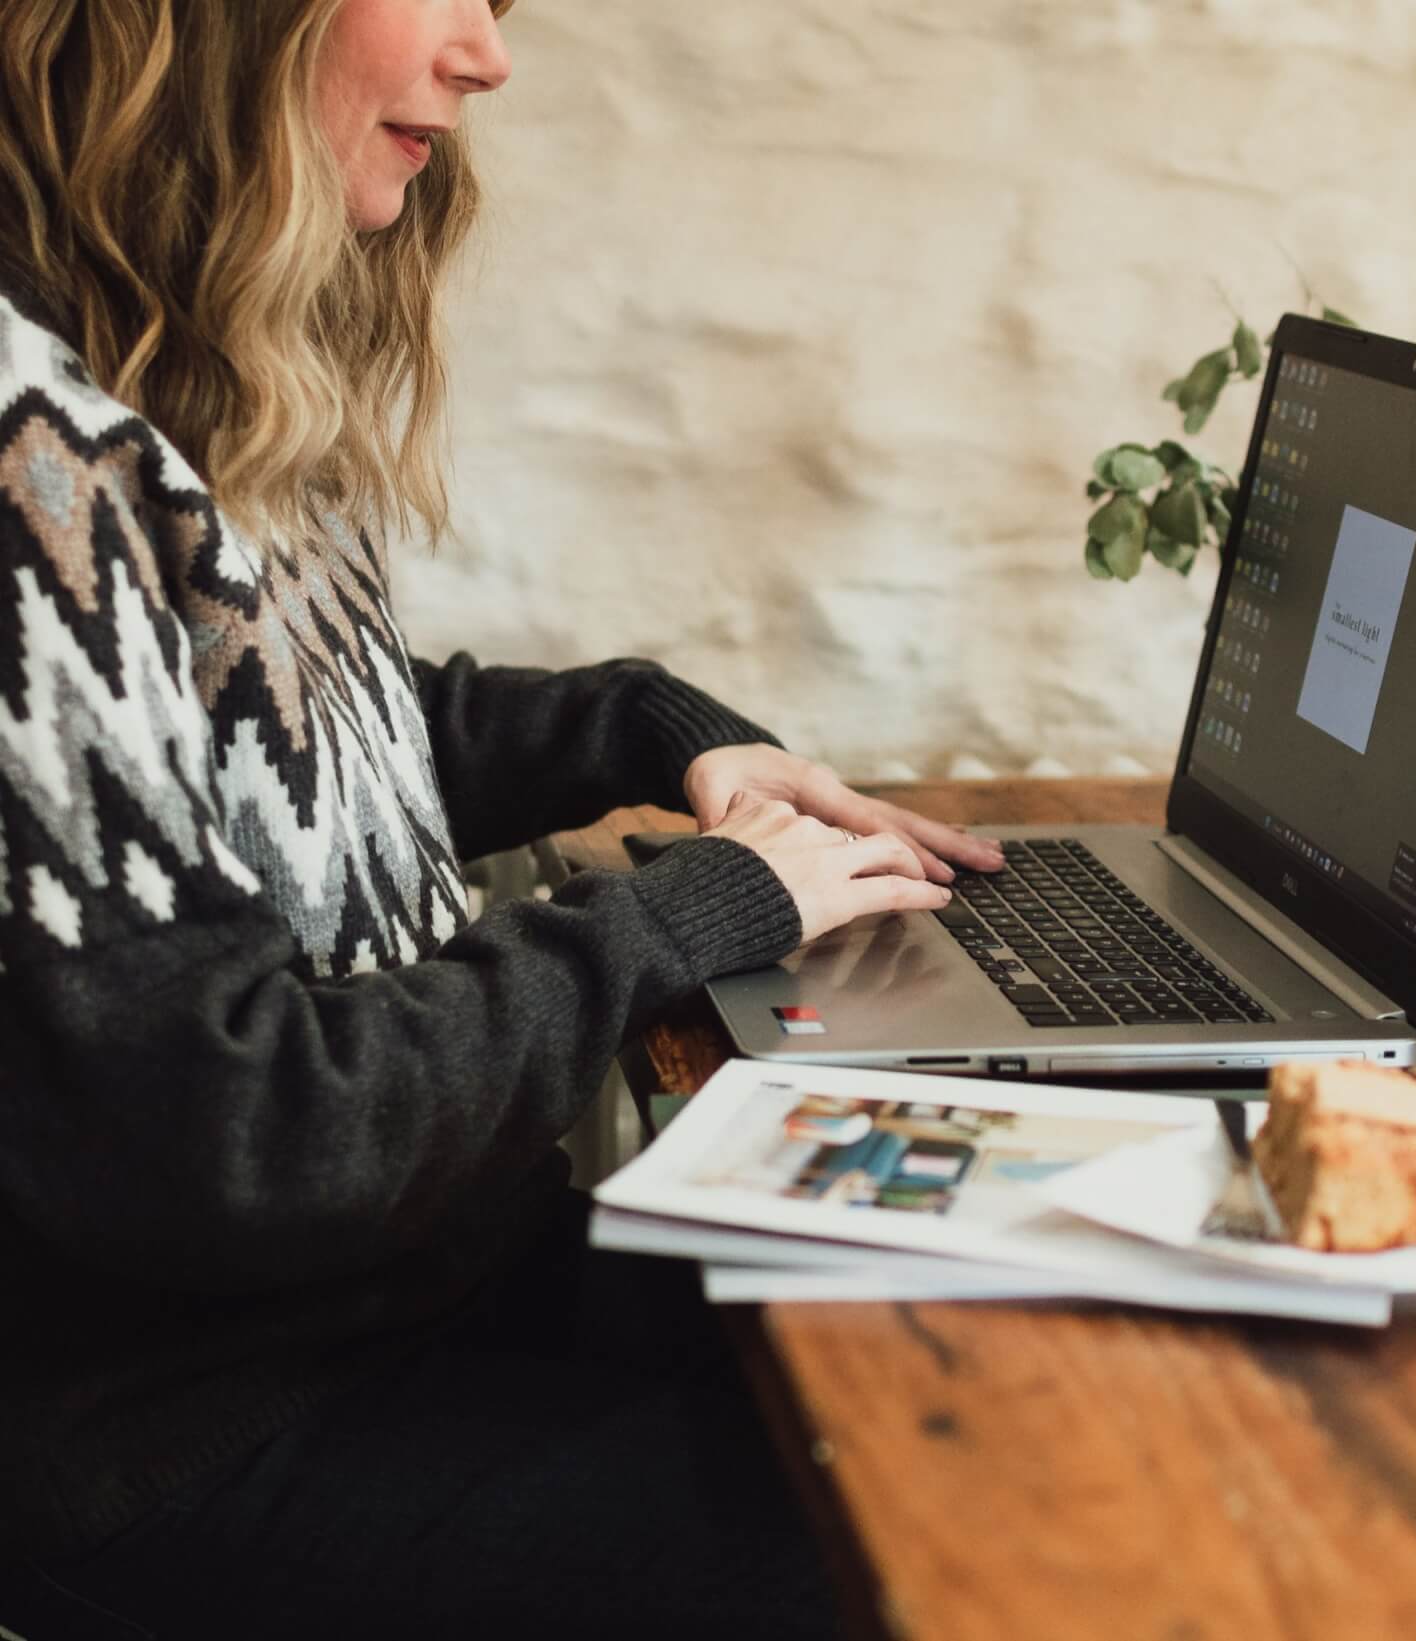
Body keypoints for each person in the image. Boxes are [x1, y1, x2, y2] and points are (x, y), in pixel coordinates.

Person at [0, 2, 1003, 1634]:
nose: (490, 53)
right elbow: (235, 1125)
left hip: (405, 1293)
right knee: (941, 1548)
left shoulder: (151, 363)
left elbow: (306, 737)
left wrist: (649, 730)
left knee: (973, 1365)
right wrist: (692, 909)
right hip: (200, 1425)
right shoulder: (30, 457)